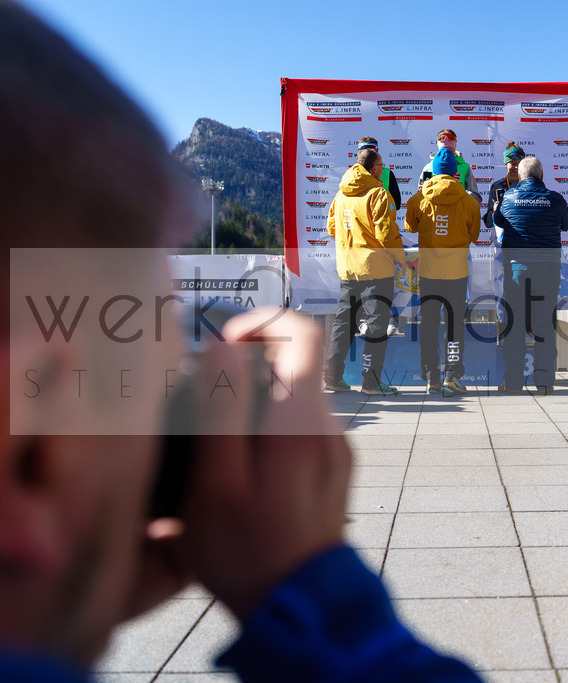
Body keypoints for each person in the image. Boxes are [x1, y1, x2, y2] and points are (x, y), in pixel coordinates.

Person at [0, 2, 481, 681]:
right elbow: (408, 230)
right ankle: (375, 377)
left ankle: (347, 376)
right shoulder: (390, 193)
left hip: (347, 268)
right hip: (402, 268)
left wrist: (52, 607)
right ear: (37, 449)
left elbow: (344, 229)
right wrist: (317, 596)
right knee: (380, 330)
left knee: (347, 327)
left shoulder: (343, 193)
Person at [323, 148, 410, 395]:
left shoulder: (341, 194)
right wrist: (403, 260)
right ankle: (370, 383)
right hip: (375, 270)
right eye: (381, 166)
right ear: (374, 169)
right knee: (375, 326)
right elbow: (386, 235)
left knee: (343, 323)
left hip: (348, 269)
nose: (383, 170)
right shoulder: (378, 194)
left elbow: (331, 228)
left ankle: (332, 377)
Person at [493, 157, 568, 394]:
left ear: (519, 176)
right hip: (548, 269)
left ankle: (513, 383)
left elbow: (497, 221)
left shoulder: (508, 197)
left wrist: (498, 209)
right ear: (542, 175)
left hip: (516, 270)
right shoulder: (555, 198)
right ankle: (545, 383)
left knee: (514, 325)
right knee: (545, 325)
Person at [405, 148, 481, 396]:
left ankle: (431, 378)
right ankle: (451, 376)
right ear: (455, 173)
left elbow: (410, 227)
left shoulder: (418, 199)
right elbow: (474, 235)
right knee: (454, 323)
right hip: (456, 272)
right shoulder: (469, 201)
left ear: (434, 172)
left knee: (428, 323)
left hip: (429, 271)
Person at [357, 137, 402, 337]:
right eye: (364, 149)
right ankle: (365, 321)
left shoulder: (387, 173)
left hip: (381, 235)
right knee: (364, 281)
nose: (368, 152)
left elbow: (397, 203)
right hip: (362, 237)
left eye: (372, 149)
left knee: (386, 280)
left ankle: (391, 320)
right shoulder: (351, 177)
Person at [419, 129, 482, 202]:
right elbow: (422, 195)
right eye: (443, 149)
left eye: (450, 150)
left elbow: (475, 197)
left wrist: (458, 193)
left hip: (458, 207)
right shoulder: (429, 168)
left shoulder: (465, 167)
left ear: (455, 148)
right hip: (435, 208)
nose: (446, 153)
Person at [483, 142, 526, 231]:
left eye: (519, 164)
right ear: (506, 163)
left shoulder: (527, 184)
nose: (517, 167)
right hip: (504, 234)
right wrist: (494, 211)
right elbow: (488, 223)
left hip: (523, 233)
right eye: (513, 164)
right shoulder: (497, 186)